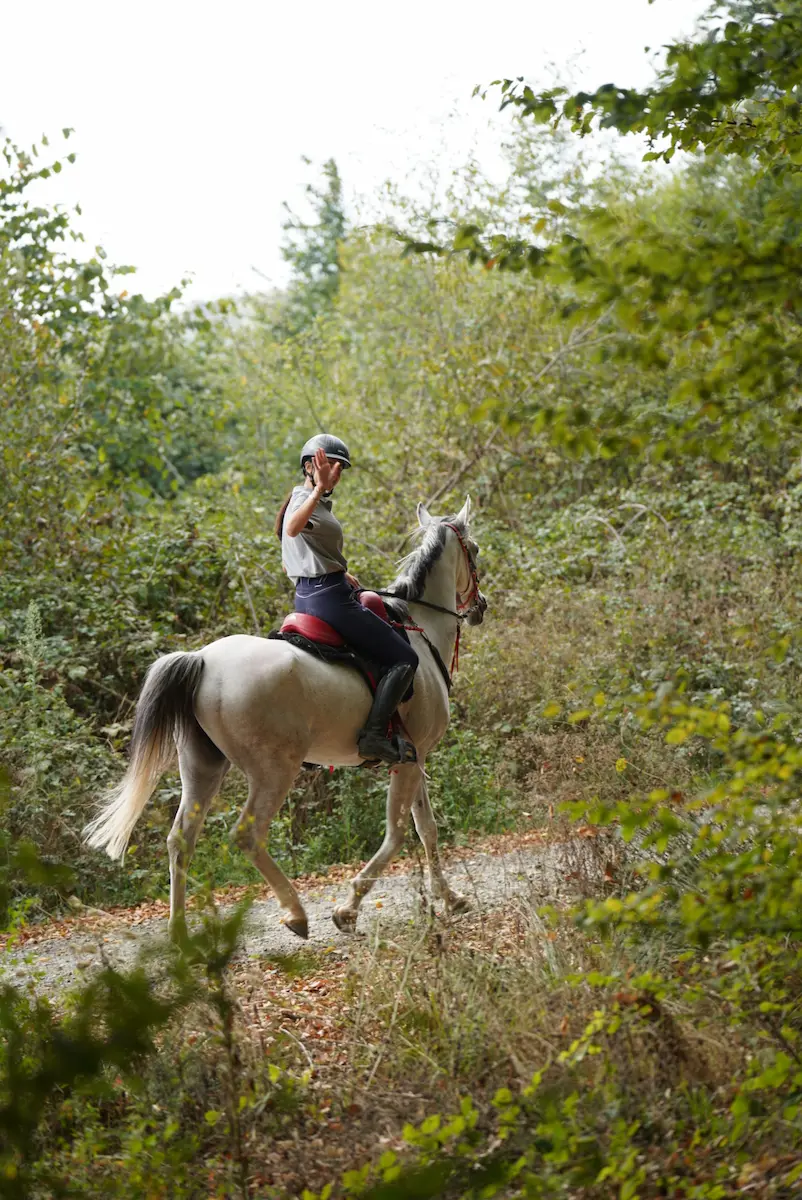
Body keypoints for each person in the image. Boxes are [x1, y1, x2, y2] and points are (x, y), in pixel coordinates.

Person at [275, 434, 418, 764]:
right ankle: (372, 736)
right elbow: (293, 527)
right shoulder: (303, 499)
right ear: (310, 466)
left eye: (341, 469)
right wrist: (317, 489)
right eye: (331, 466)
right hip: (330, 601)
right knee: (406, 659)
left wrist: (339, 570)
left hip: (310, 595)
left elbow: (297, 552)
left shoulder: (315, 504)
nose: (336, 473)